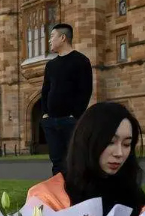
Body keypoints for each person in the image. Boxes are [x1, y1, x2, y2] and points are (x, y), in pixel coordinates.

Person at [39, 23, 93, 175]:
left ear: (63, 38)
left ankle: (76, 195)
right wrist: (45, 114)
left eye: (52, 36)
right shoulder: (51, 65)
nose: (49, 40)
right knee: (57, 163)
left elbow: (85, 91)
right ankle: (59, 197)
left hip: (70, 121)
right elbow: (45, 90)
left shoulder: (81, 61)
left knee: (74, 161)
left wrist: (74, 115)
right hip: (51, 122)